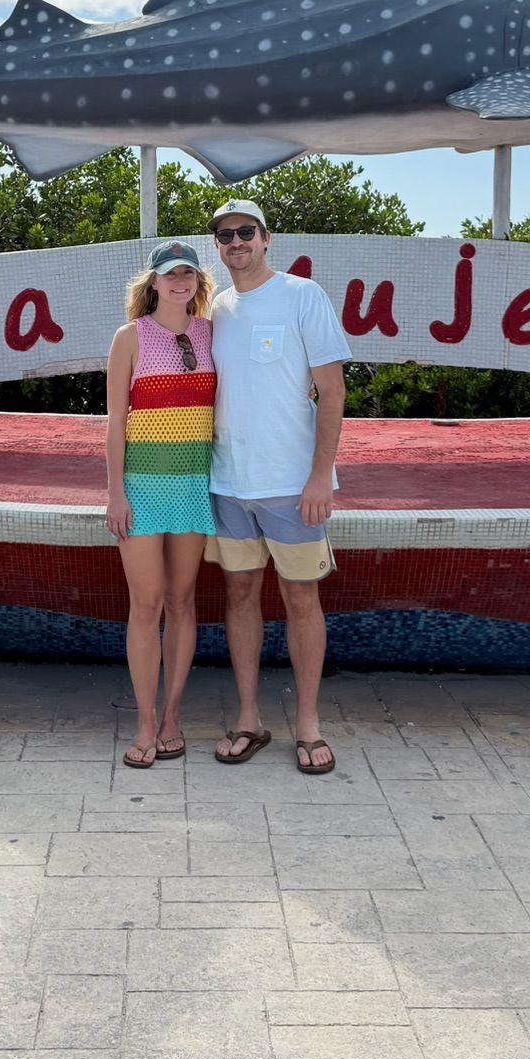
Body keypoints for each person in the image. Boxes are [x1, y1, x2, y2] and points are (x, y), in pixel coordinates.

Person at [204, 200, 351, 775]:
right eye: (225, 235)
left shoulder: (302, 295)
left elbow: (332, 394)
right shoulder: (215, 307)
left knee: (301, 599)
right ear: (216, 245)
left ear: (267, 238)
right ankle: (249, 720)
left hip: (293, 487)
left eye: (245, 232)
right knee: (239, 597)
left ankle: (309, 726)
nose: (236, 241)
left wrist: (320, 476)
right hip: (228, 484)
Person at [105, 240, 217, 769]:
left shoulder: (212, 333)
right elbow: (114, 424)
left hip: (194, 486)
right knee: (145, 607)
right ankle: (145, 722)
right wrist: (115, 493)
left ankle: (173, 716)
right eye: (170, 274)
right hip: (142, 492)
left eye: (188, 274)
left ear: (197, 282)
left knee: (181, 603)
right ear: (153, 282)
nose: (179, 281)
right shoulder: (130, 337)